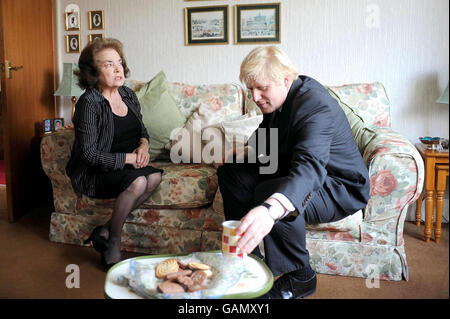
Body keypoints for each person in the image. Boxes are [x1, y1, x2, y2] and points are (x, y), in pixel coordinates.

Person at [217, 46, 370, 299]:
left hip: (338, 186)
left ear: (285, 80)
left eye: (261, 88)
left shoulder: (315, 105)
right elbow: (270, 134)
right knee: (233, 173)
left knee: (273, 192)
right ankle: (246, 258)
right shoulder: (280, 98)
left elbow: (309, 166)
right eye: (251, 89)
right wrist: (246, 151)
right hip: (297, 170)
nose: (254, 96)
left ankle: (301, 277)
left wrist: (270, 211)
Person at [66, 38, 163, 271]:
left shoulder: (128, 94)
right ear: (93, 72)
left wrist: (144, 147)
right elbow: (88, 154)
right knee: (140, 181)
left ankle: (105, 229)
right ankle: (113, 242)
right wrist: (130, 159)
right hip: (95, 171)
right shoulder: (89, 103)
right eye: (109, 64)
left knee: (154, 177)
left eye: (119, 62)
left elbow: (142, 130)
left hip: (124, 167)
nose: (118, 69)